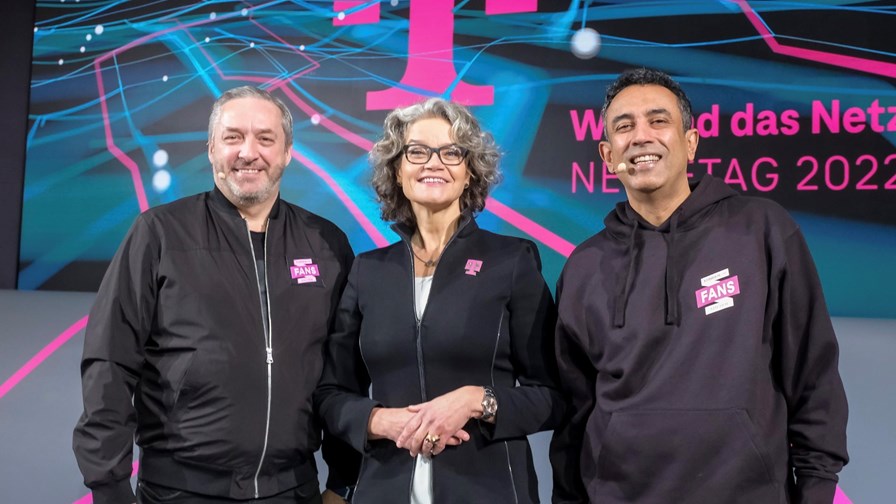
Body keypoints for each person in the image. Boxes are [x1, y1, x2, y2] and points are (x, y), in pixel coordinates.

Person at [550, 68, 849, 503]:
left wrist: (818, 487)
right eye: (624, 126)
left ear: (690, 142)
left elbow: (812, 372)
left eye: (658, 121)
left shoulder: (761, 230)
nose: (640, 137)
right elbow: (574, 412)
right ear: (606, 153)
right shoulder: (584, 266)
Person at [73, 86, 359, 504]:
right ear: (211, 149)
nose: (249, 152)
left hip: (293, 490)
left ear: (287, 152)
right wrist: (109, 485)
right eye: (232, 137)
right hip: (179, 491)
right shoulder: (159, 233)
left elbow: (344, 373)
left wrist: (342, 480)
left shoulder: (326, 245)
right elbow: (109, 362)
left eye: (265, 138)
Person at [314, 97, 564, 503]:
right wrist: (379, 421)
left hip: (490, 490)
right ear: (398, 170)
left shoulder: (512, 260)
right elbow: (330, 394)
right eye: (417, 151)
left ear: (470, 173)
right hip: (383, 489)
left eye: (451, 152)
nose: (434, 162)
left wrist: (477, 401)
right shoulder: (367, 271)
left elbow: (552, 396)